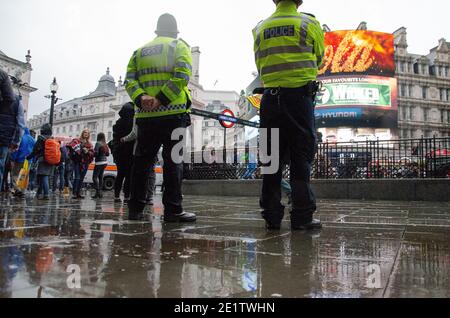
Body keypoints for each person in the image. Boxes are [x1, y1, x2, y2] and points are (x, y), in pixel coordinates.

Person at [253, 0, 324, 231]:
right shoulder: (309, 23)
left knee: (271, 159)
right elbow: (319, 58)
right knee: (300, 158)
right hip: (299, 100)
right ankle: (302, 217)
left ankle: (271, 216)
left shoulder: (261, 28)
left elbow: (259, 63)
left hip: (270, 100)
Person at [124, 13, 196, 222]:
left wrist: (141, 98)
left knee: (142, 163)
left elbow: (129, 80)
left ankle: (135, 209)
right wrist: (162, 99)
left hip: (146, 117)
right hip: (174, 114)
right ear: (175, 31)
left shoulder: (139, 52)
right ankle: (173, 210)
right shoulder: (179, 46)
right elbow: (182, 76)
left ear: (156, 31)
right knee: (173, 162)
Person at [121, 117, 158, 206]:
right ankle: (149, 197)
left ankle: (138, 197)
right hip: (154, 147)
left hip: (140, 148)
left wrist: (124, 139)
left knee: (138, 173)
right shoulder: (157, 112)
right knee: (151, 173)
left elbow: (134, 133)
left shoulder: (138, 114)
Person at [0, 94, 26, 190]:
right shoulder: (17, 100)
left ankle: (14, 187)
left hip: (16, 158)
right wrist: (15, 142)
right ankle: (18, 189)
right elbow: (20, 125)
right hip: (5, 142)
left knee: (13, 173)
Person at [111, 103, 135, 203]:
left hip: (119, 153)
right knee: (129, 175)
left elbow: (115, 138)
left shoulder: (117, 124)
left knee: (120, 174)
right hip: (129, 152)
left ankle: (116, 195)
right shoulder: (133, 122)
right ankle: (126, 196)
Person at [27, 124, 54, 200]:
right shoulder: (52, 139)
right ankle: (39, 193)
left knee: (44, 176)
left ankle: (46, 194)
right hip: (51, 160)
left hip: (43, 159)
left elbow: (35, 150)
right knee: (43, 176)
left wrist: (28, 157)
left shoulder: (41, 138)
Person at [68, 129, 94, 199]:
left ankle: (78, 193)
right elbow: (71, 146)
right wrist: (77, 150)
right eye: (85, 132)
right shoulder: (77, 141)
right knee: (77, 177)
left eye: (87, 133)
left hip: (85, 163)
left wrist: (87, 152)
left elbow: (92, 153)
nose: (86, 134)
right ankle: (74, 193)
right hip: (77, 162)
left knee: (81, 178)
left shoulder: (89, 144)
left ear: (89, 135)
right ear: (82, 133)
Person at [10, 128, 35, 197]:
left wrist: (13, 158)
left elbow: (16, 149)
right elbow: (35, 150)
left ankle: (17, 189)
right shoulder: (32, 139)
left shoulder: (20, 137)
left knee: (15, 174)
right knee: (24, 175)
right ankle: (23, 191)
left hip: (19, 159)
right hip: (28, 160)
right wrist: (33, 160)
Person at [92, 133, 110, 199]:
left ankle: (97, 192)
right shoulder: (105, 144)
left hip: (99, 162)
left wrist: (91, 153)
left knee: (94, 177)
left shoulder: (98, 143)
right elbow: (108, 154)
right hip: (105, 162)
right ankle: (100, 193)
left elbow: (96, 153)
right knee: (100, 177)